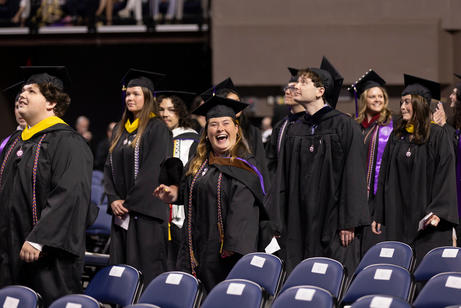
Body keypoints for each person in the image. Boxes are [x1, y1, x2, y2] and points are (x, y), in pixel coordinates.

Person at [0, 66, 97, 306]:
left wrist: (39, 239)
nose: (22, 95)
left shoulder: (68, 142)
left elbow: (70, 195)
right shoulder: (15, 142)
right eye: (22, 90)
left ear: (51, 102)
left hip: (47, 255)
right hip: (9, 250)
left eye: (31, 91)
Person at [154, 95, 271, 291]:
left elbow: (243, 211)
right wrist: (173, 195)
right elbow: (191, 192)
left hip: (225, 253)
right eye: (213, 124)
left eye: (226, 123)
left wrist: (232, 247)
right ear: (206, 132)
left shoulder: (244, 166)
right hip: (195, 246)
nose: (220, 129)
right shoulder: (200, 163)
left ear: (236, 129)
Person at [265, 57, 369, 275]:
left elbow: (354, 174)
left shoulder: (344, 125)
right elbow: (282, 179)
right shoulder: (294, 130)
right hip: (298, 220)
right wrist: (277, 222)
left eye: (303, 83)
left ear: (320, 91)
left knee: (332, 275)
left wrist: (349, 221)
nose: (296, 87)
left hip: (333, 221)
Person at [372, 74, 458, 264]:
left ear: (421, 104)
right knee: (399, 267)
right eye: (402, 102)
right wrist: (379, 212)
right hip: (398, 215)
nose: (402, 107)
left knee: (424, 269)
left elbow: (446, 174)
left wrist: (438, 211)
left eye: (408, 102)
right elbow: (384, 174)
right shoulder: (397, 136)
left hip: (427, 220)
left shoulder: (437, 135)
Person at [104, 68, 172, 285]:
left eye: (136, 94)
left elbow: (153, 170)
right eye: (128, 94)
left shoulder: (157, 129)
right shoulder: (119, 130)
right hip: (122, 214)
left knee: (144, 273)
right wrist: (113, 198)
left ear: (148, 97)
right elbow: (108, 167)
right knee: (120, 272)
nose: (130, 98)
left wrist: (129, 203)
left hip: (146, 216)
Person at [349, 69, 393, 255]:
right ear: (364, 100)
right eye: (372, 96)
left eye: (381, 96)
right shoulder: (356, 127)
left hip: (377, 197)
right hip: (358, 194)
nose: (378, 100)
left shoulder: (390, 126)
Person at [200, 78, 270, 193]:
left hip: (246, 185)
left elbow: (261, 164)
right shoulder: (210, 131)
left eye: (238, 101)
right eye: (232, 101)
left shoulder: (252, 131)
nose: (237, 105)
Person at [156, 90, 199, 270]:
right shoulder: (155, 138)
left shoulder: (192, 140)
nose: (165, 114)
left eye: (171, 110)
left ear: (180, 112)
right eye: (161, 109)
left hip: (181, 216)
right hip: (157, 212)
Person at [265, 68, 305, 176]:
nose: (287, 92)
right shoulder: (281, 126)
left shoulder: (314, 124)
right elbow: (270, 163)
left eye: (292, 88)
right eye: (287, 88)